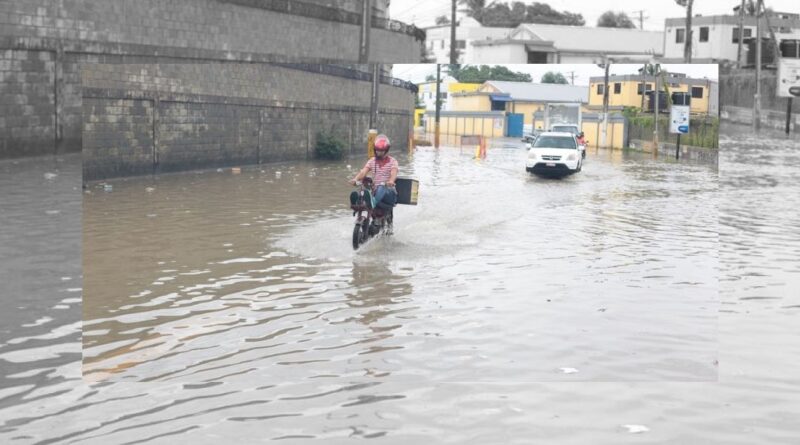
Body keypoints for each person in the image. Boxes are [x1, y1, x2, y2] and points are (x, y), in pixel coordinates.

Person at [349, 134, 399, 215]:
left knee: (382, 186)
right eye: (377, 150)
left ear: (386, 150)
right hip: (375, 192)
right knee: (363, 183)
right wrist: (356, 179)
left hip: (389, 193)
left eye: (381, 151)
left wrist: (391, 181)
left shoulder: (393, 161)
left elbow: (394, 172)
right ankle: (357, 202)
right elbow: (364, 172)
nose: (378, 152)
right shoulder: (372, 161)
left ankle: (373, 203)